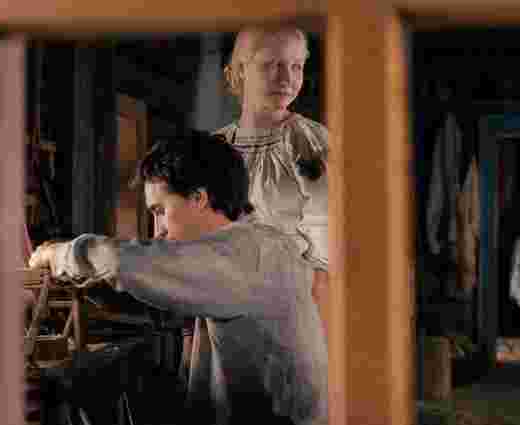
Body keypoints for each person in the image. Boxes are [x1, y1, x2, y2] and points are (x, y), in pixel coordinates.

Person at [28, 132, 328, 425]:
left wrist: (56, 254)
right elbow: (165, 302)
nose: (157, 228)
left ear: (199, 198)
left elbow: (123, 260)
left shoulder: (247, 255)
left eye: (160, 211)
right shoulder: (259, 244)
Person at [214, 25, 329, 320]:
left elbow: (328, 223)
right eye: (271, 65)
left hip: (291, 298)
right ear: (240, 71)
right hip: (221, 295)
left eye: (296, 66)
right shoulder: (214, 147)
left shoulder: (308, 141)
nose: (287, 78)